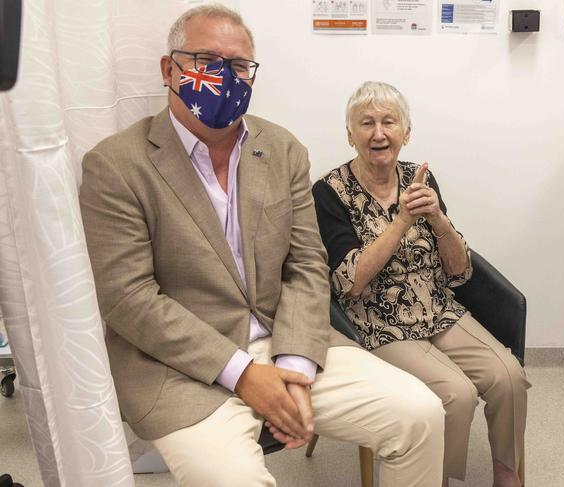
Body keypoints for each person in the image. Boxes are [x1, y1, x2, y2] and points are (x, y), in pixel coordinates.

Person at [79, 6, 445, 487]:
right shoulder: (116, 165)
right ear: (170, 69)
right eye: (206, 61)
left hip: (288, 339)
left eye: (237, 66)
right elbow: (128, 298)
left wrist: (292, 365)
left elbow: (307, 263)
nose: (224, 77)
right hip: (183, 368)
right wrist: (245, 374)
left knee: (421, 414)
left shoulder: (282, 149)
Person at [312, 81, 530, 487]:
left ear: (405, 133)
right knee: (458, 395)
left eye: (389, 122)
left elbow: (458, 271)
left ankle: (507, 473)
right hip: (376, 320)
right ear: (350, 135)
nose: (379, 133)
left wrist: (439, 220)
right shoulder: (329, 192)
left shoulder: (420, 179)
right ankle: (437, 479)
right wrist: (401, 223)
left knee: (509, 376)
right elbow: (350, 283)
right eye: (367, 123)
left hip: (438, 306)